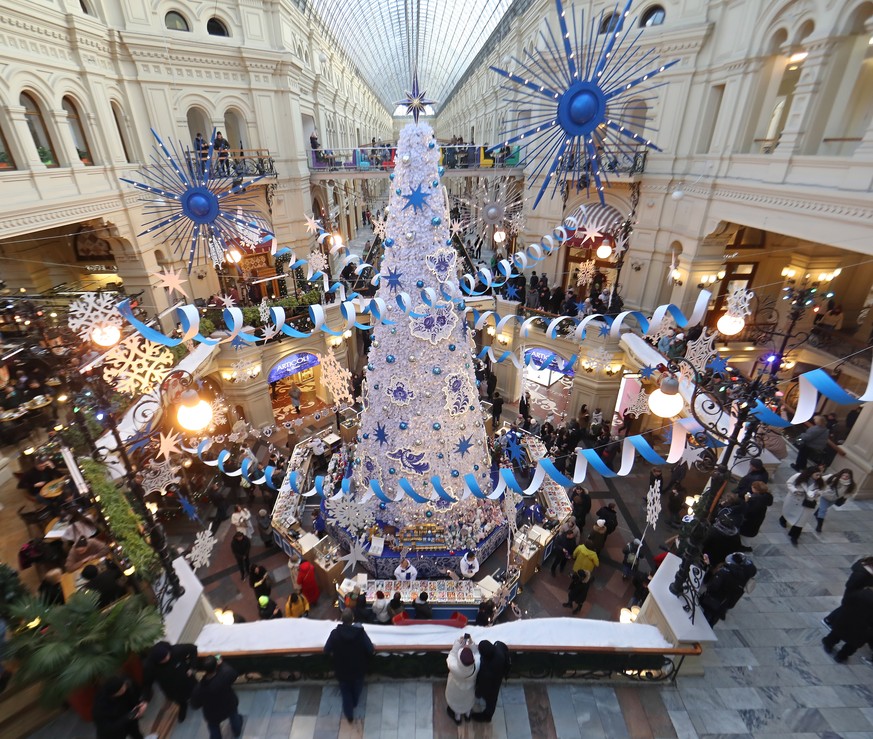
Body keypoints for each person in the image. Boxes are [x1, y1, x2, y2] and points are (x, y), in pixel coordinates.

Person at [324, 609, 374, 723]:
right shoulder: (360, 634)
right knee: (357, 688)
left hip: (342, 667)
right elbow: (370, 649)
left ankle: (349, 713)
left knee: (345, 691)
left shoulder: (335, 634)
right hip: (359, 667)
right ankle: (355, 702)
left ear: (341, 619)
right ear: (352, 619)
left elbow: (326, 649)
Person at [142, 641, 198, 723]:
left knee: (196, 691)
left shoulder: (176, 650)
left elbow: (193, 648)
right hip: (171, 688)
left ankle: (198, 699)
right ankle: (183, 705)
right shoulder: (149, 666)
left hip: (187, 680)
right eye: (163, 659)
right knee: (179, 700)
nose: (167, 658)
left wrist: (192, 667)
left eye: (167, 655)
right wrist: (145, 700)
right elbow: (147, 683)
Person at [191, 656, 243, 739]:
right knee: (234, 717)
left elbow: (195, 705)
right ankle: (237, 732)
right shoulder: (225, 676)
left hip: (212, 713)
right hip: (229, 705)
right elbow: (233, 674)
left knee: (213, 727)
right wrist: (222, 664)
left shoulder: (199, 688)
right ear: (216, 666)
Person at [699, 551, 757, 626]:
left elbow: (713, 587)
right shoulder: (746, 574)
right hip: (727, 602)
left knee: (705, 618)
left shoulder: (724, 573)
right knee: (713, 619)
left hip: (714, 600)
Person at [821, 586, 873, 663]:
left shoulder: (861, 593)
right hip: (862, 628)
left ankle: (828, 644)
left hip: (847, 619)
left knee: (836, 634)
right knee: (852, 644)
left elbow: (846, 601)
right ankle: (841, 656)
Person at [93, 675, 147, 739]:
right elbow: (107, 728)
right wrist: (128, 717)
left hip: (130, 719)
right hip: (115, 730)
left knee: (136, 733)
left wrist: (141, 703)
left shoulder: (127, 683)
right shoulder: (100, 706)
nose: (124, 689)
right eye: (121, 690)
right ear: (113, 694)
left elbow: (140, 691)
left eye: (124, 686)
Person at [780, 467, 825, 545]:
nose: (818, 477)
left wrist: (817, 493)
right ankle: (783, 519)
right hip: (794, 499)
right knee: (788, 512)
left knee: (801, 521)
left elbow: (822, 491)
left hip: (807, 503)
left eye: (819, 475)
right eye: (817, 475)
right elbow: (789, 483)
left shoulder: (819, 482)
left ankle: (794, 536)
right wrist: (795, 490)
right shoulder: (798, 476)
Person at [471, 639, 510, 722]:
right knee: (492, 699)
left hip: (491, 685)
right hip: (498, 678)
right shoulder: (499, 649)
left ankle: (487, 716)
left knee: (491, 699)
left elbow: (483, 684)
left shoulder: (486, 669)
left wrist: (478, 692)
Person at [445, 634, 480, 724]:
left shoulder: (454, 667)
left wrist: (458, 643)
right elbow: (476, 654)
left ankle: (458, 718)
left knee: (457, 703)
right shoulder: (476, 666)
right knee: (467, 702)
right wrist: (471, 644)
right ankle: (468, 716)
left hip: (455, 688)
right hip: (469, 690)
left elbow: (452, 655)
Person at [738, 481, 773, 551]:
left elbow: (747, 511)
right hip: (758, 519)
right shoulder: (766, 497)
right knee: (747, 536)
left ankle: (746, 548)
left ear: (756, 489)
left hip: (749, 522)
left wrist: (747, 500)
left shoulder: (754, 500)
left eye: (752, 487)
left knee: (745, 537)